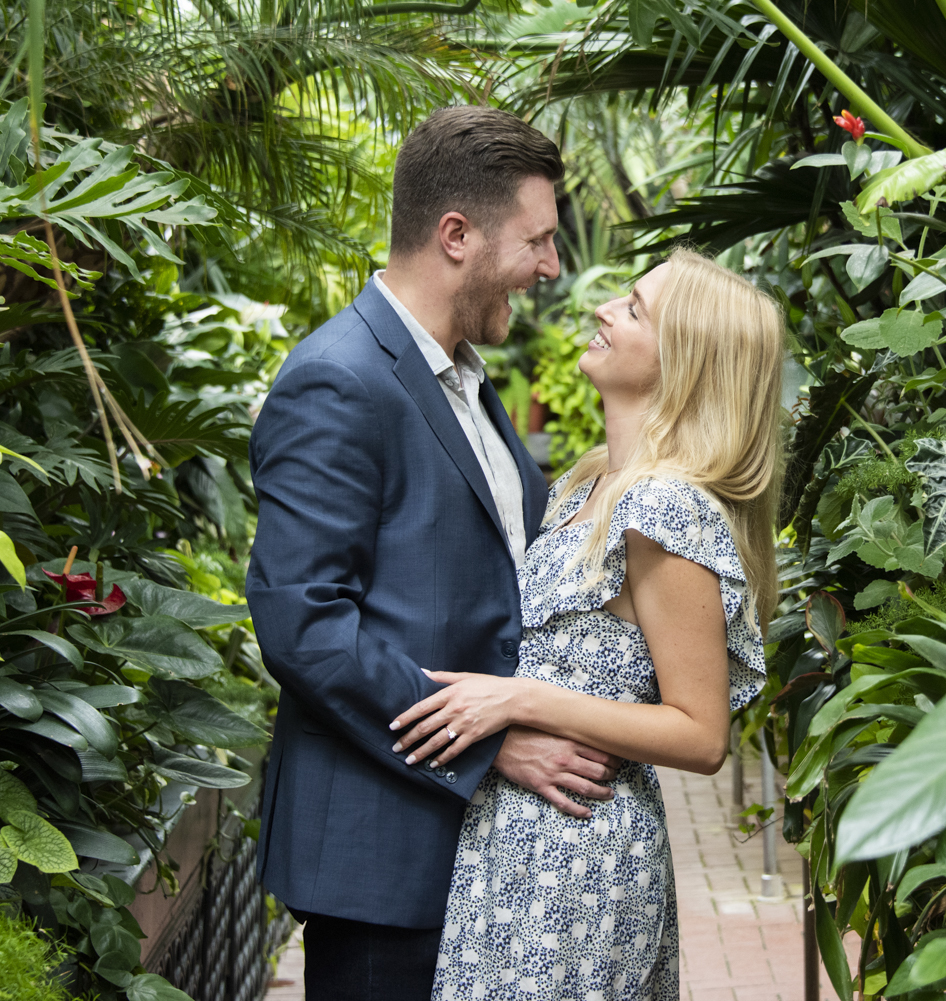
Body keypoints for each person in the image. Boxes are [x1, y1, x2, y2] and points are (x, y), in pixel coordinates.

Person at [246, 105, 625, 1001]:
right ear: (456, 234)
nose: (552, 267)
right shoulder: (337, 380)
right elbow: (305, 626)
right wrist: (491, 742)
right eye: (536, 240)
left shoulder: (461, 376)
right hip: (383, 861)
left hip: (472, 852)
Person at [386, 248, 785, 1001]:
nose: (603, 308)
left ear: (687, 361)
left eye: (634, 308)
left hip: (577, 855)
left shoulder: (665, 507)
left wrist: (516, 701)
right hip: (523, 844)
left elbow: (700, 733)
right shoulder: (589, 481)